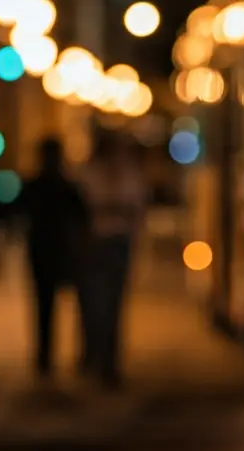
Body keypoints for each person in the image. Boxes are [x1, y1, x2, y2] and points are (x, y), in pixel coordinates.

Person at [80, 132, 148, 387]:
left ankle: (108, 359)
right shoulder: (91, 173)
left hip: (118, 242)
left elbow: (136, 208)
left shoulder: (129, 174)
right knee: (94, 302)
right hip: (96, 243)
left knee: (113, 304)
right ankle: (94, 354)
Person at [16, 137, 89, 376]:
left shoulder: (41, 185)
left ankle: (45, 354)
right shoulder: (63, 186)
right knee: (54, 304)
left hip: (48, 251)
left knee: (44, 303)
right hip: (54, 251)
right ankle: (49, 354)